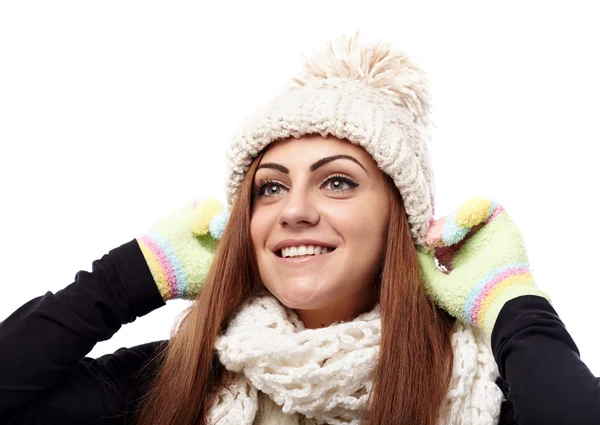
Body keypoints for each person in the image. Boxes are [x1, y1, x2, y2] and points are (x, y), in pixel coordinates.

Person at [0, 33, 598, 425]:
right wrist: (131, 275)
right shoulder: (182, 383)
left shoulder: (484, 392)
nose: (294, 210)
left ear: (401, 222)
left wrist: (510, 304)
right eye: (270, 188)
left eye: (337, 182)